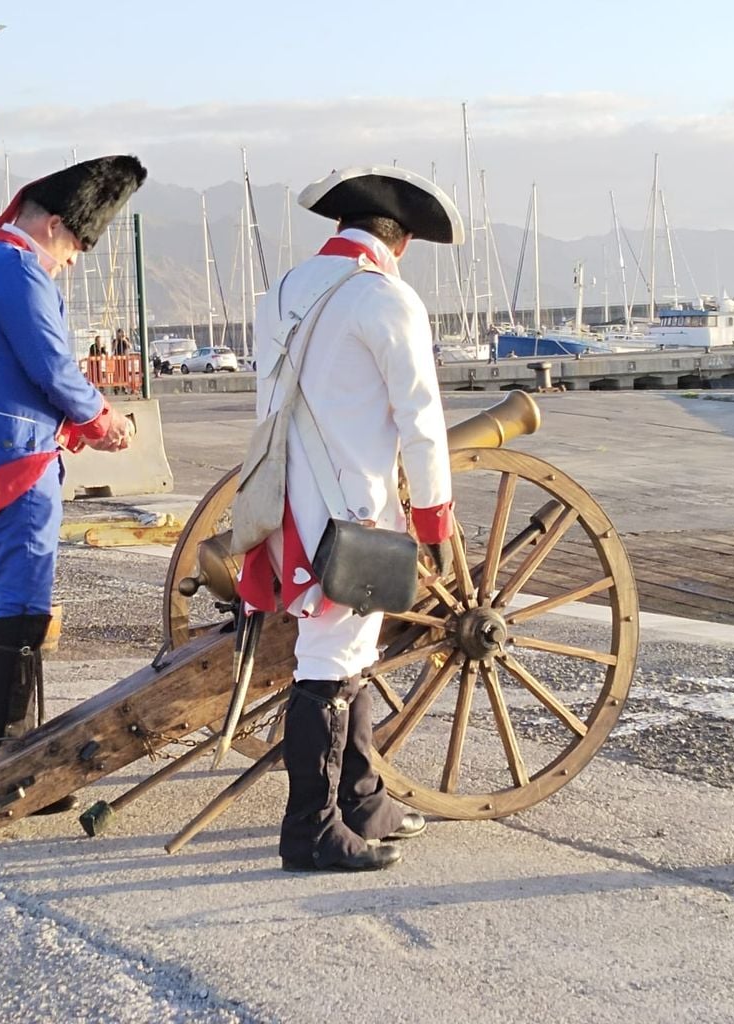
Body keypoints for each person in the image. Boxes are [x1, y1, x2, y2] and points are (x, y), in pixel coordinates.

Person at [237, 165, 464, 872]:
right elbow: (422, 425)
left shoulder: (279, 293)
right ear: (400, 241)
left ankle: (363, 799)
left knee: (351, 655)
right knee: (330, 663)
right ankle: (309, 829)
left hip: (282, 508)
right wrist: (435, 523)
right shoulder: (385, 297)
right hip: (351, 515)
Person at [0, 155, 146, 810]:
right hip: (15, 459)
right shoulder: (17, 267)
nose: (77, 260)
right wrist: (103, 420)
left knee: (17, 611)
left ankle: (10, 761)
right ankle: (6, 768)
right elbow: (54, 368)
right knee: (23, 614)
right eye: (77, 245)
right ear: (53, 225)